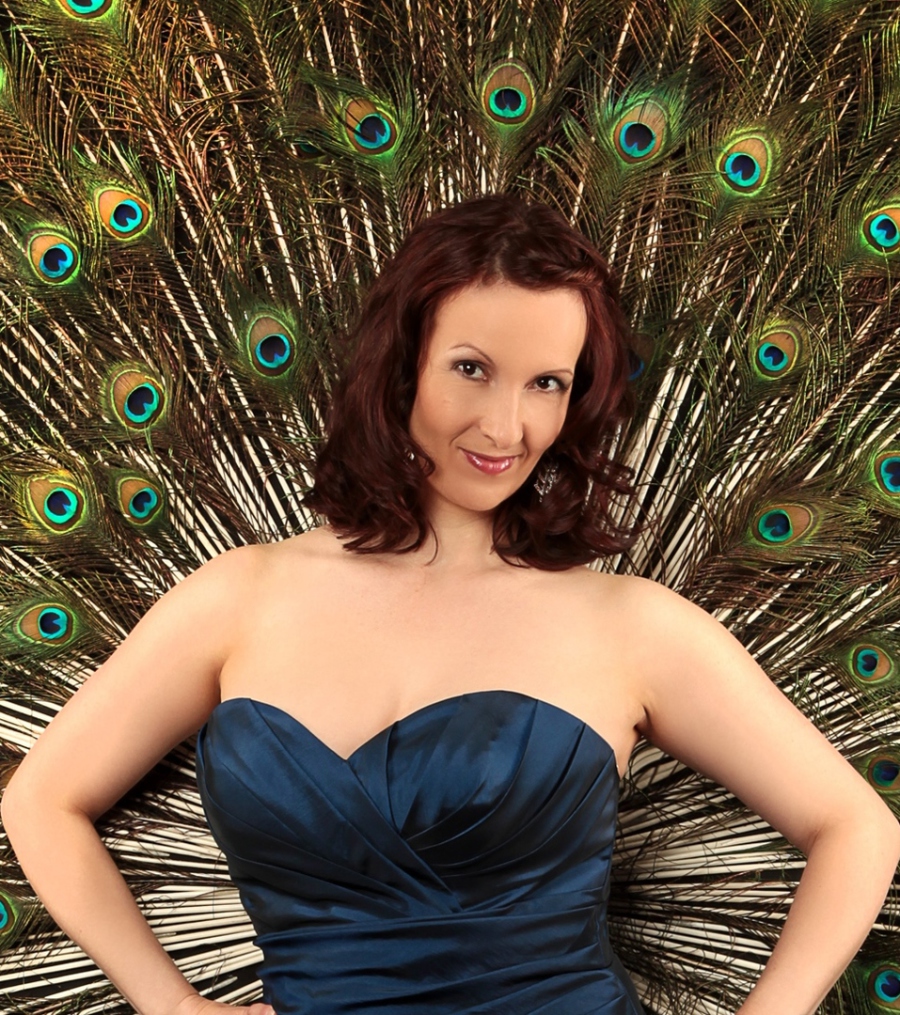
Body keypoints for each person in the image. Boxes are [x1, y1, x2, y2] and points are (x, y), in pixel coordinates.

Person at [2, 193, 898, 1015]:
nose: (507, 427)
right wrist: (169, 1003)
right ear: (403, 366)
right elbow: (42, 797)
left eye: (547, 383)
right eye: (472, 368)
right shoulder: (242, 596)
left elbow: (855, 824)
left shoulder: (628, 625)